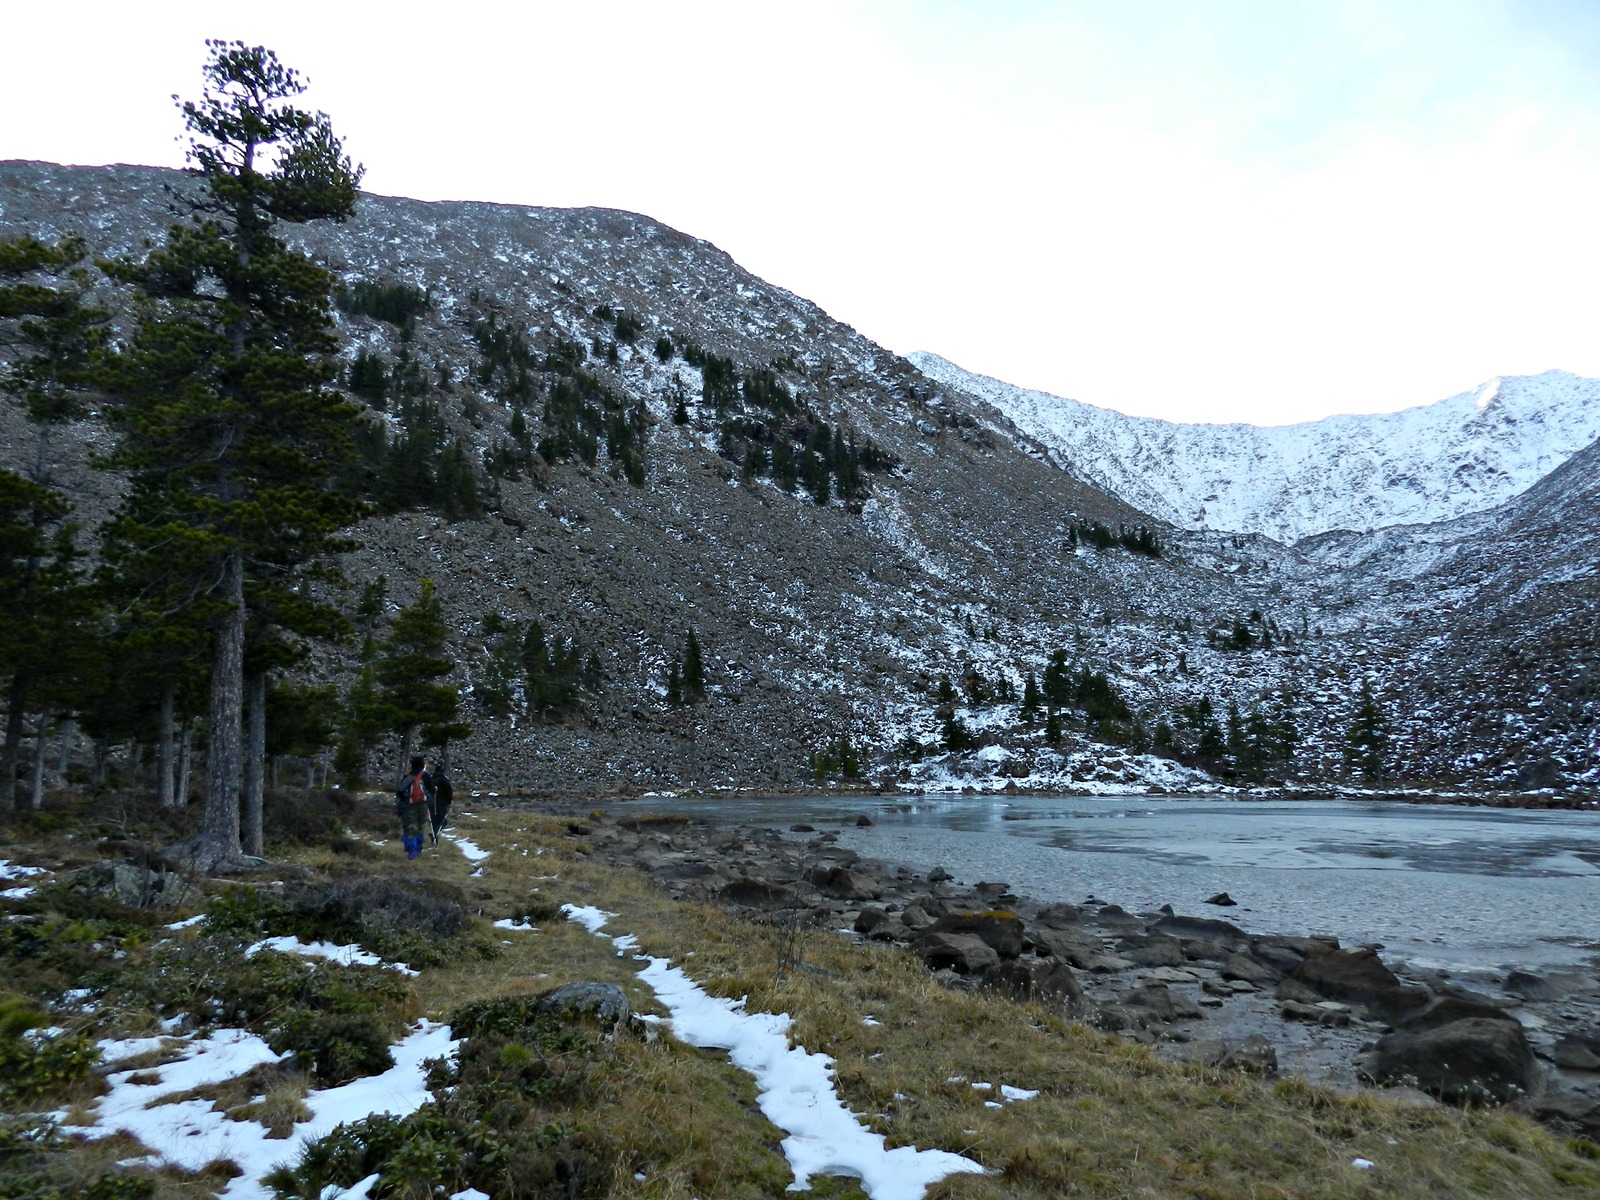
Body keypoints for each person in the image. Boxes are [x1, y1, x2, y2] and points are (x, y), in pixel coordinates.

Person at [395, 755, 435, 859]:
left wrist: (405, 800)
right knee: (421, 826)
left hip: (410, 805)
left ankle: (411, 849)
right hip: (423, 805)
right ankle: (418, 848)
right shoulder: (425, 776)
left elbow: (399, 792)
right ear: (422, 764)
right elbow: (432, 791)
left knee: (411, 827)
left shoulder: (407, 776)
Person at [430, 762, 455, 844]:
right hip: (442, 803)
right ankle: (435, 835)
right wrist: (449, 801)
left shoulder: (431, 779)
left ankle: (434, 835)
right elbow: (449, 792)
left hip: (431, 803)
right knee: (442, 821)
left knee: (434, 820)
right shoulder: (444, 780)